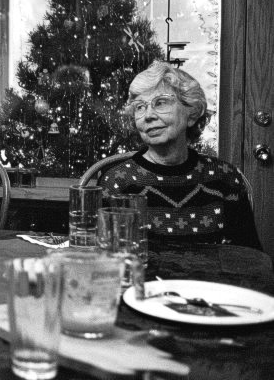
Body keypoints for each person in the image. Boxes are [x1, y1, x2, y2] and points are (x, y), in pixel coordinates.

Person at [99, 61, 261, 249]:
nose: (148, 115)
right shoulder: (117, 182)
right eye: (140, 107)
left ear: (192, 114)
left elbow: (249, 258)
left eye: (161, 103)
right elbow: (105, 259)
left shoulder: (224, 178)